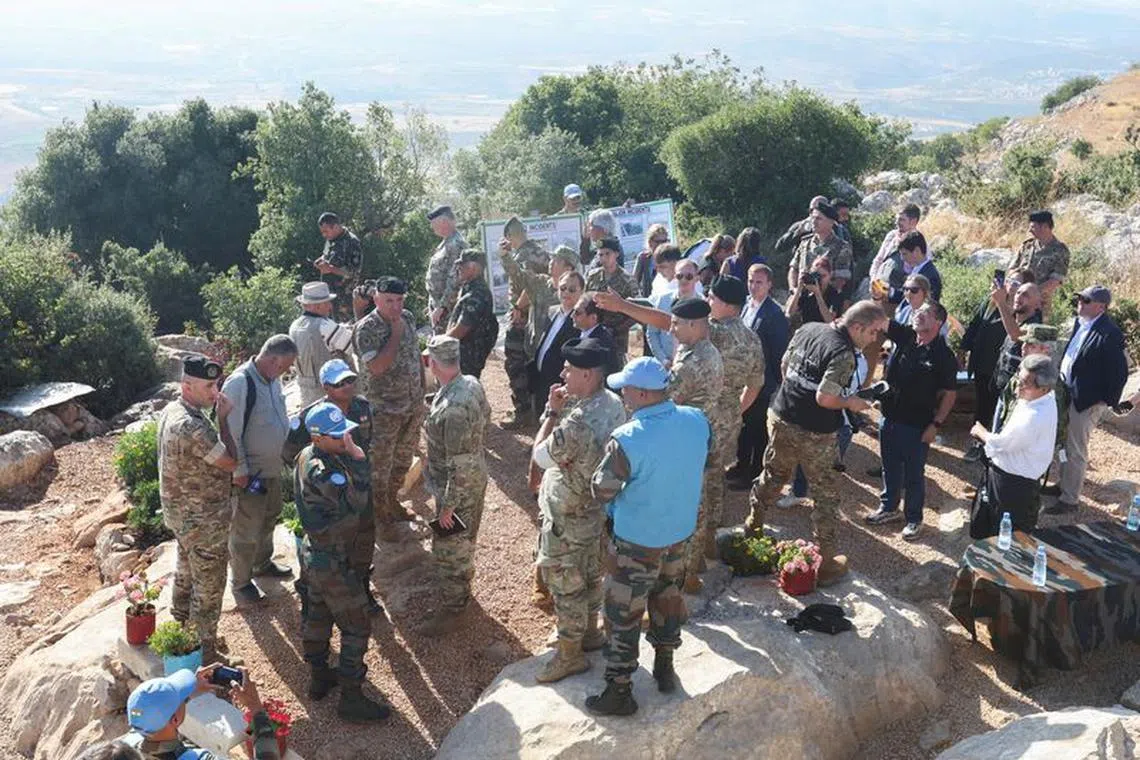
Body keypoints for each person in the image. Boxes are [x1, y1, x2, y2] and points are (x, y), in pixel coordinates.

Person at [585, 357, 711, 716]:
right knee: (668, 595)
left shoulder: (628, 438)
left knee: (623, 612)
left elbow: (603, 489)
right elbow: (705, 457)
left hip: (637, 540)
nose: (622, 393)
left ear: (641, 393)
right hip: (678, 532)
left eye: (626, 388)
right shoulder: (696, 419)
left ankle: (620, 691)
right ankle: (665, 665)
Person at [744, 301, 889, 585]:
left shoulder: (808, 329)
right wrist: (853, 403)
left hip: (782, 414)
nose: (875, 339)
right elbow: (825, 398)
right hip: (815, 431)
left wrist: (797, 394)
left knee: (773, 474)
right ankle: (826, 562)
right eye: (873, 333)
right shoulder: (844, 353)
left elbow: (785, 365)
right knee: (825, 493)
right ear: (857, 327)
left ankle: (753, 524)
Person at [591, 293, 724, 592]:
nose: (671, 329)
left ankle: (682, 576)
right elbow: (663, 322)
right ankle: (690, 569)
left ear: (694, 325)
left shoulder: (690, 363)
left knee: (682, 503)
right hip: (697, 433)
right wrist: (623, 305)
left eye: (677, 324)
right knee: (695, 502)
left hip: (680, 438)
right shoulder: (705, 347)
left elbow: (658, 402)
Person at [531, 338, 627, 683]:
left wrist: (552, 411)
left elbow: (540, 456)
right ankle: (589, 634)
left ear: (587, 375)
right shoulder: (615, 404)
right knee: (589, 575)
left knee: (565, 584)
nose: (563, 374)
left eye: (569, 370)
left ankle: (570, 656)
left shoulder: (575, 423)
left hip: (567, 514)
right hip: (594, 508)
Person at [293, 402, 390, 722]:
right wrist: (360, 462)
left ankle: (320, 678)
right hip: (332, 561)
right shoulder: (324, 471)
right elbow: (357, 501)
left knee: (318, 616)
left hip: (316, 554)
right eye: (338, 436)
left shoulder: (309, 455)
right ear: (317, 438)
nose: (346, 439)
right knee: (357, 624)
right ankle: (351, 697)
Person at [282, 359, 381, 615]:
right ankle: (310, 595)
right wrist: (316, 477)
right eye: (340, 383)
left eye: (350, 380)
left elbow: (370, 443)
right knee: (322, 548)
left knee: (363, 540)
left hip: (359, 486)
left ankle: (362, 590)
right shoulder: (310, 417)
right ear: (326, 387)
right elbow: (289, 452)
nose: (348, 386)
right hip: (327, 497)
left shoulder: (362, 407)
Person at [158, 356, 238, 666]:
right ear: (186, 386)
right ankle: (205, 654)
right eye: (208, 386)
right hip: (203, 520)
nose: (215, 392)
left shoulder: (172, 411)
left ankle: (180, 630)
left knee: (187, 571)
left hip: (182, 515)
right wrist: (225, 420)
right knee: (210, 583)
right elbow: (231, 461)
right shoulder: (191, 425)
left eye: (217, 384)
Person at [864, 302, 957, 540]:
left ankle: (914, 519)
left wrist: (935, 425)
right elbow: (881, 319)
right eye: (918, 312)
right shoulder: (905, 335)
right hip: (890, 418)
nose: (919, 316)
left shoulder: (943, 356)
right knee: (890, 467)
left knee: (914, 475)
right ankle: (889, 508)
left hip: (917, 425)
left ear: (939, 322)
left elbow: (950, 394)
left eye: (926, 314)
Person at [420, 335, 492, 636]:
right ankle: (461, 586)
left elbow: (458, 464)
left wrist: (449, 506)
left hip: (458, 487)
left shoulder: (452, 406)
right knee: (464, 538)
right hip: (472, 476)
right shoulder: (470, 383)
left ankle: (454, 609)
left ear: (433, 363)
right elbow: (486, 417)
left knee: (449, 545)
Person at [221, 335, 296, 604]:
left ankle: (262, 565)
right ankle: (241, 582)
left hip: (271, 469)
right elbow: (230, 430)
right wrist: (239, 469)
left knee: (270, 517)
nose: (287, 372)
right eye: (285, 366)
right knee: (245, 529)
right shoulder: (241, 383)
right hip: (249, 474)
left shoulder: (272, 380)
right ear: (273, 360)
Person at [1044, 285, 1128, 514]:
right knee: (1063, 442)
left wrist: (1103, 401)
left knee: (1076, 448)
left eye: (1086, 300)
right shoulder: (1081, 324)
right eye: (1080, 297)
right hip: (1068, 392)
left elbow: (1118, 372)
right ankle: (1063, 484)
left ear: (1101, 306)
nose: (1080, 301)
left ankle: (1070, 499)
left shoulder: (1110, 333)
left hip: (1086, 400)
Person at [352, 276, 425, 542]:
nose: (395, 307)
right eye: (389, 301)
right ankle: (380, 520)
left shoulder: (407, 317)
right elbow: (377, 368)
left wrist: (420, 395)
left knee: (402, 460)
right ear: (376, 299)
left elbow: (415, 355)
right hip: (384, 410)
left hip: (412, 405)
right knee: (380, 466)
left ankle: (392, 503)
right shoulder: (367, 328)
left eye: (399, 300)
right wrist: (394, 334)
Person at [969, 354, 1059, 535]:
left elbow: (1003, 443)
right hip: (1016, 479)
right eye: (1020, 377)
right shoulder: (1043, 398)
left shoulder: (1034, 416)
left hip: (1012, 485)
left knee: (1005, 532)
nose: (1019, 385)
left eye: (1026, 383)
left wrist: (981, 432)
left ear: (1044, 388)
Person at [705, 275, 765, 535]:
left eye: (712, 297)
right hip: (728, 415)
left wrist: (625, 307)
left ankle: (698, 534)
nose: (708, 301)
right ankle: (712, 529)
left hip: (703, 415)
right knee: (716, 473)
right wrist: (736, 409)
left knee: (700, 475)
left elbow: (669, 323)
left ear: (728, 305)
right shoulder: (752, 339)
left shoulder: (714, 332)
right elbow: (756, 384)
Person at [115, 666, 280, 759]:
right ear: (174, 720)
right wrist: (256, 708)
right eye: (181, 699)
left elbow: (148, 714)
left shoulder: (126, 747)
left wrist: (187, 692)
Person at [500, 244, 582, 423]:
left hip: (557, 359)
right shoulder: (540, 284)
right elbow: (517, 274)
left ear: (569, 267)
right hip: (534, 349)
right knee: (531, 386)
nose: (551, 263)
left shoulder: (575, 295)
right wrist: (506, 256)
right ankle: (528, 416)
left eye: (556, 260)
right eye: (551, 259)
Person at [960, 269, 1034, 462]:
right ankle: (978, 445)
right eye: (1010, 281)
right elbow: (975, 326)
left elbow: (1015, 334)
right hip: (983, 364)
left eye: (1017, 283)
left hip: (1003, 371)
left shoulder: (1019, 312)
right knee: (982, 405)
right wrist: (963, 350)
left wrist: (1003, 303)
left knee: (997, 410)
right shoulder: (992, 303)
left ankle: (991, 449)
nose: (1011, 286)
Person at [730, 264, 790, 487]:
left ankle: (754, 472)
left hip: (763, 382)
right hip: (744, 378)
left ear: (769, 285)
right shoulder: (746, 305)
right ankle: (741, 464)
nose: (753, 286)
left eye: (759, 282)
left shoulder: (774, 314)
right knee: (744, 426)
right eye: (751, 281)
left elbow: (779, 353)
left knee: (758, 430)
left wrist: (775, 385)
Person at [498, 216, 552, 429]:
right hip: (536, 316)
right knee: (532, 362)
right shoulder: (537, 251)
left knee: (516, 363)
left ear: (510, 237)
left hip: (526, 317)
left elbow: (530, 286)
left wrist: (519, 308)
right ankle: (533, 407)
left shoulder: (524, 255)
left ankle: (524, 412)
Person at [993, 325, 1069, 450]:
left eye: (1031, 345)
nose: (1023, 348)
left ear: (1046, 350)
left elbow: (1055, 429)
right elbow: (1004, 403)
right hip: (1007, 442)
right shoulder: (1023, 370)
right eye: (1024, 343)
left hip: (1026, 452)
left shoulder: (1051, 385)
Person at [289, 281, 354, 406]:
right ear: (317, 306)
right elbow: (352, 346)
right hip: (332, 392)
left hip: (306, 391)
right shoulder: (325, 325)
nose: (330, 306)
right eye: (327, 303)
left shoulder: (294, 326)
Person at [530, 271, 584, 418]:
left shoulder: (580, 321)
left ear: (582, 292)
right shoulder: (553, 312)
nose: (566, 292)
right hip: (543, 383)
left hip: (561, 387)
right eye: (563, 288)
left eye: (572, 289)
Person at [446, 249, 500, 379]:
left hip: (468, 358)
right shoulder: (469, 288)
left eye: (462, 265)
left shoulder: (477, 293)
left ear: (474, 267)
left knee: (463, 394)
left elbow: (462, 328)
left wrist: (441, 343)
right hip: (464, 355)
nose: (458, 268)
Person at [989, 281, 1044, 405]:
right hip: (1003, 392)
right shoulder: (1016, 321)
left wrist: (1001, 302)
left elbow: (1016, 335)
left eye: (1026, 295)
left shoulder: (1035, 327)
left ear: (1037, 304)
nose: (1019, 296)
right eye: (1018, 292)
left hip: (1017, 398)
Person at [1010, 210, 1070, 317]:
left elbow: (1055, 281)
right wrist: (1016, 287)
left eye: (1033, 227)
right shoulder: (1027, 246)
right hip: (1017, 302)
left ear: (1044, 226)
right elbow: (1012, 269)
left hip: (1039, 305)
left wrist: (1031, 295)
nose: (1029, 230)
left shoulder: (1060, 251)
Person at [584, 237, 636, 356]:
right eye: (600, 254)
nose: (603, 258)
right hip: (593, 333)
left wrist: (618, 329)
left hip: (616, 338)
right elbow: (584, 300)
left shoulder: (627, 279)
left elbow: (635, 310)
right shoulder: (592, 276)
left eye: (607, 254)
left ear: (616, 254)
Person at [787, 201, 853, 293]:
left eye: (818, 219)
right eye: (813, 218)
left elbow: (841, 279)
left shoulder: (841, 247)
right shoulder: (805, 242)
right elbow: (794, 268)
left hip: (825, 299)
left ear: (831, 222)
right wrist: (793, 289)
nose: (813, 222)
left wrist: (818, 290)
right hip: (800, 296)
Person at [646, 256, 698, 364]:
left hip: (691, 367)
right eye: (679, 276)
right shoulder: (662, 300)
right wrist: (663, 360)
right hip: (664, 365)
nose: (683, 280)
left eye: (688, 276)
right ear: (675, 277)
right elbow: (652, 333)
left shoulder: (702, 304)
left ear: (696, 278)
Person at [315, 212, 363, 322]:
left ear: (336, 226)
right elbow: (327, 255)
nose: (324, 235)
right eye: (322, 232)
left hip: (344, 299)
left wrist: (331, 269)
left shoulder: (352, 242)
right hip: (329, 295)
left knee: (345, 330)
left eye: (326, 231)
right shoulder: (331, 239)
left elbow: (353, 272)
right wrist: (321, 260)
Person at [425, 205, 465, 333]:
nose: (432, 227)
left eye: (433, 223)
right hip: (440, 309)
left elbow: (456, 279)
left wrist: (442, 307)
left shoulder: (456, 245)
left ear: (443, 222)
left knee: (447, 348)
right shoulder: (445, 244)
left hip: (448, 310)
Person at [785, 254, 846, 330]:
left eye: (823, 276)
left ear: (830, 275)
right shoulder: (806, 292)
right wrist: (798, 289)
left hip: (825, 332)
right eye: (817, 276)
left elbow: (830, 321)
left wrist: (818, 295)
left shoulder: (835, 294)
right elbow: (789, 313)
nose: (820, 280)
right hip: (807, 330)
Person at [869, 204, 921, 282]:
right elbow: (878, 260)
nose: (897, 223)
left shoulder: (919, 243)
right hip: (880, 287)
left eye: (902, 220)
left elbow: (919, 272)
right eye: (897, 219)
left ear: (913, 222)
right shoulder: (891, 236)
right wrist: (873, 279)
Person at [632, 224, 670, 297]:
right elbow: (634, 282)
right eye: (658, 241)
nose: (661, 245)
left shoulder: (671, 258)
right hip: (648, 301)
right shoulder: (643, 258)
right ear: (650, 242)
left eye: (664, 241)